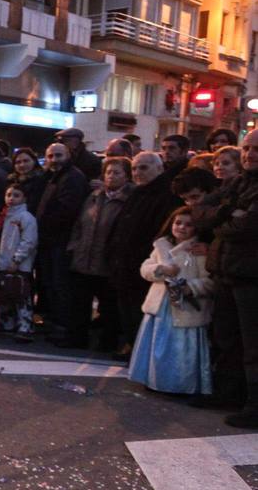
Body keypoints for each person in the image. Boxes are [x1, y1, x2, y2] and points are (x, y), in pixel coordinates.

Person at [190, 129, 258, 425]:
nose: (249, 154)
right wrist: (230, 211)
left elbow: (246, 228)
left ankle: (254, 406)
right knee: (226, 337)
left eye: (255, 149)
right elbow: (199, 212)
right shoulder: (239, 183)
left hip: (252, 277)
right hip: (226, 271)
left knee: (253, 345)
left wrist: (221, 220)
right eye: (246, 149)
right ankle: (228, 392)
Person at [128, 208, 213, 396]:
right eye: (178, 223)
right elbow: (145, 268)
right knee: (158, 342)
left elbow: (209, 281)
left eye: (188, 224)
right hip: (160, 306)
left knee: (181, 348)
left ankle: (179, 384)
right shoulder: (161, 245)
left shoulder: (198, 250)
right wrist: (161, 269)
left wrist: (190, 287)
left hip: (186, 307)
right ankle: (153, 378)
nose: (181, 227)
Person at [106, 152, 183, 358]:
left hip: (143, 263)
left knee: (139, 308)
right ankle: (133, 344)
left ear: (159, 168)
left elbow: (160, 231)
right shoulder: (137, 192)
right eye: (134, 168)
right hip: (125, 262)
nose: (137, 172)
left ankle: (138, 348)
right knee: (127, 308)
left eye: (144, 167)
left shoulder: (166, 195)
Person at [65, 157, 133, 351]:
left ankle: (107, 341)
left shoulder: (128, 200)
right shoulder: (94, 196)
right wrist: (74, 246)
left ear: (127, 176)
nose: (111, 176)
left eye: (116, 172)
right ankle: (77, 338)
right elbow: (80, 223)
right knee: (79, 303)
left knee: (109, 305)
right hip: (84, 257)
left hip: (108, 262)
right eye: (109, 172)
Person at [35, 142, 90, 341]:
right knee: (52, 284)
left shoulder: (72, 178)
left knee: (61, 286)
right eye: (50, 156)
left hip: (60, 241)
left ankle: (63, 328)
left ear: (68, 155)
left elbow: (67, 211)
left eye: (58, 155)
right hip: (51, 241)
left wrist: (46, 227)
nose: (54, 160)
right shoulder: (55, 176)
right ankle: (57, 325)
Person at [0, 184, 38, 341]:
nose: (11, 198)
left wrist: (17, 259)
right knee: (6, 293)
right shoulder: (3, 216)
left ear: (24, 198)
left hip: (18, 264)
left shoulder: (26, 218)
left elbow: (29, 241)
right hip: (2, 262)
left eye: (16, 195)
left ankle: (25, 326)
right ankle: (7, 323)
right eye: (9, 195)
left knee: (22, 296)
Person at [10, 148, 47, 212]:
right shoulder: (11, 181)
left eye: (26, 161)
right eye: (18, 162)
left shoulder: (41, 180)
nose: (22, 165)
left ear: (34, 161)